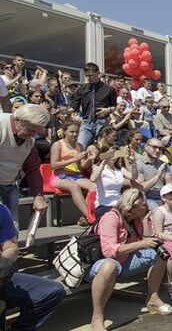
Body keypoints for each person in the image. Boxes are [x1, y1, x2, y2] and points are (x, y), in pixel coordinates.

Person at [85, 189, 172, 331]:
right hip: (99, 264)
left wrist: (145, 222)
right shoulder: (110, 217)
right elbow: (109, 251)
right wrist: (141, 244)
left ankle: (153, 299)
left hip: (123, 261)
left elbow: (141, 240)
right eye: (143, 205)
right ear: (131, 207)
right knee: (109, 266)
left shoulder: (135, 219)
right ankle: (97, 318)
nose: (147, 206)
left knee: (160, 254)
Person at [0, 202, 66, 330]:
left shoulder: (1, 209)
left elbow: (10, 247)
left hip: (3, 276)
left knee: (52, 291)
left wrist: (3, 263)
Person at [0, 104, 50, 227]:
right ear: (17, 119)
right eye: (30, 130)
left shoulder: (30, 141)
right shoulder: (2, 126)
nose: (32, 135)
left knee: (12, 230)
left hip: (8, 185)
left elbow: (32, 169)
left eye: (36, 132)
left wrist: (38, 196)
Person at [49, 120, 96, 225]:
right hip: (59, 176)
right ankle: (90, 217)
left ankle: (86, 215)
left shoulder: (79, 146)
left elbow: (83, 166)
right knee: (74, 187)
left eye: (77, 132)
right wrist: (74, 159)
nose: (75, 134)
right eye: (72, 132)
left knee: (94, 186)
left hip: (76, 175)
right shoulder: (58, 145)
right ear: (64, 132)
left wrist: (90, 159)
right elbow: (54, 165)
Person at [70, 63, 118, 149]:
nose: (89, 78)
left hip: (102, 123)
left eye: (91, 75)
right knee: (80, 147)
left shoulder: (109, 89)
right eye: (87, 76)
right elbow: (73, 106)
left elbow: (114, 106)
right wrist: (63, 111)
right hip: (86, 123)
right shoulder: (82, 89)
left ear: (98, 73)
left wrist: (108, 110)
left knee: (102, 148)